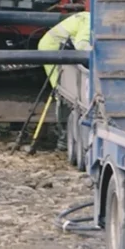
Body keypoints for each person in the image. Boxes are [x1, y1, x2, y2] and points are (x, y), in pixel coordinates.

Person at [38, 11, 91, 152]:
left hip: (57, 48)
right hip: (52, 51)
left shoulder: (88, 17)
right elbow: (82, 47)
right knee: (60, 90)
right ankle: (63, 138)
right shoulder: (89, 23)